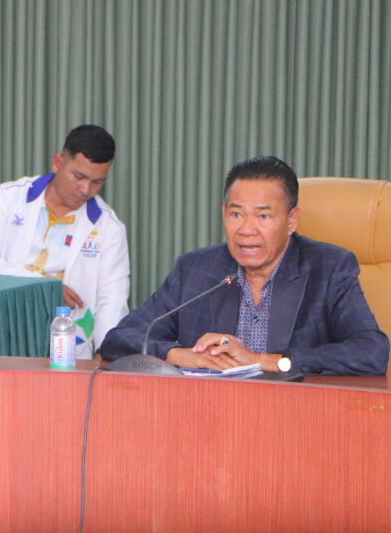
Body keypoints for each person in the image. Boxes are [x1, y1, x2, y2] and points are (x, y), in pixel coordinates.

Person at [101, 156, 388, 375]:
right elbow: (119, 338)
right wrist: (179, 355)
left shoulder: (328, 268)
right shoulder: (196, 269)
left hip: (297, 417)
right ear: (223, 214)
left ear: (291, 221)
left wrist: (264, 361)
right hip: (208, 415)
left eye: (263, 217)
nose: (246, 230)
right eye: (236, 214)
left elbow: (371, 352)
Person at [0, 124, 129, 358]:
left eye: (97, 182)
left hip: (71, 351)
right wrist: (46, 289)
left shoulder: (109, 227)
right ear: (57, 162)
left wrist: (105, 353)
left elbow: (112, 300)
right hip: (3, 339)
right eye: (79, 176)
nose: (85, 189)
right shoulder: (9, 198)